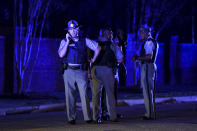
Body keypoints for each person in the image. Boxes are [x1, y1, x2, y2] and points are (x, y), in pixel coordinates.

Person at [58, 20, 101, 124]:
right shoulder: (64, 41)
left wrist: (93, 59)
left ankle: (87, 118)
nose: (73, 31)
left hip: (81, 71)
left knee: (84, 95)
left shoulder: (84, 40)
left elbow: (98, 47)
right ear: (68, 31)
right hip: (68, 71)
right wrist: (68, 42)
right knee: (70, 95)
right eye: (71, 30)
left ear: (78, 30)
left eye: (75, 29)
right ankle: (71, 118)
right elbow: (61, 55)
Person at [91, 27, 124, 123]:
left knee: (96, 95)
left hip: (95, 69)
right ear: (108, 35)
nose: (112, 36)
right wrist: (114, 61)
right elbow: (121, 59)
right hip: (107, 70)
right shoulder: (112, 45)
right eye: (111, 34)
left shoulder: (95, 43)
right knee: (110, 94)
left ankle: (96, 117)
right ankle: (113, 116)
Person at [132, 25, 159, 120]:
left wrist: (137, 58)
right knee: (148, 91)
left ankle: (149, 114)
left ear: (148, 32)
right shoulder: (149, 42)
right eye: (140, 32)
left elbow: (148, 57)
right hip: (149, 66)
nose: (140, 34)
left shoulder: (149, 42)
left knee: (147, 91)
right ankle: (149, 113)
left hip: (147, 66)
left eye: (142, 32)